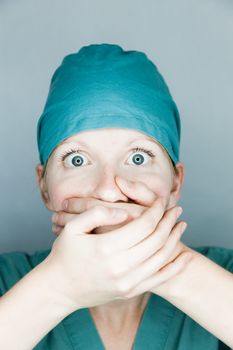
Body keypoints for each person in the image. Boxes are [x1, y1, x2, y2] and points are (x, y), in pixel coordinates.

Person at [0, 43, 232, 350]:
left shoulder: (225, 272)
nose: (108, 190)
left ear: (175, 182)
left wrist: (169, 266)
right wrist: (59, 287)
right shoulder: (7, 281)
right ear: (44, 186)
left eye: (138, 158)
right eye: (77, 160)